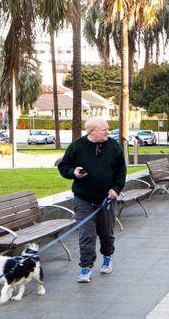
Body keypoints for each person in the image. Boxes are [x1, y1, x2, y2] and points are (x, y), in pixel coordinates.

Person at [58, 117, 126, 283]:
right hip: (83, 199)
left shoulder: (113, 146)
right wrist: (74, 172)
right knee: (86, 234)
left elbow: (121, 171)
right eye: (104, 129)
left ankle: (108, 256)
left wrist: (115, 189)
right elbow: (63, 166)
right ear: (92, 131)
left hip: (107, 199)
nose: (108, 132)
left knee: (106, 233)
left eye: (108, 129)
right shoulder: (77, 146)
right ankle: (86, 267)